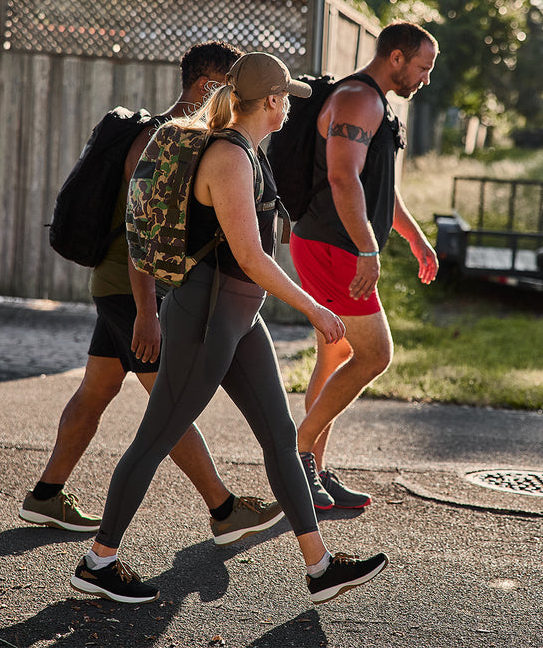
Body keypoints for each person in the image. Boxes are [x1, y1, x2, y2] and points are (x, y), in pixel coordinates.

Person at [69, 52, 389, 605]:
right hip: (207, 319)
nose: (289, 104)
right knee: (156, 437)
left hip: (240, 319)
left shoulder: (246, 151)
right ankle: (99, 560)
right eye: (285, 95)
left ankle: (319, 567)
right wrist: (315, 308)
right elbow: (252, 257)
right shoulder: (228, 157)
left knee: (280, 441)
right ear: (270, 102)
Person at [20, 41, 284, 547]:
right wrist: (147, 312)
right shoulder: (161, 139)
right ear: (210, 87)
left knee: (97, 389)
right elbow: (141, 230)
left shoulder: (194, 139)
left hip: (126, 290)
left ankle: (46, 495)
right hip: (131, 291)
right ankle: (223, 508)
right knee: (171, 403)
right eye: (231, 84)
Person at [289, 21, 440, 510]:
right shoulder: (358, 99)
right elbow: (341, 176)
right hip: (331, 245)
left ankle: (315, 470)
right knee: (375, 354)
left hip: (332, 243)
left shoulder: (377, 103)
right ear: (396, 57)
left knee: (334, 357)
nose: (425, 78)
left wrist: (417, 240)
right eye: (423, 67)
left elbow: (379, 187)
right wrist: (369, 250)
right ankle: (298, 459)